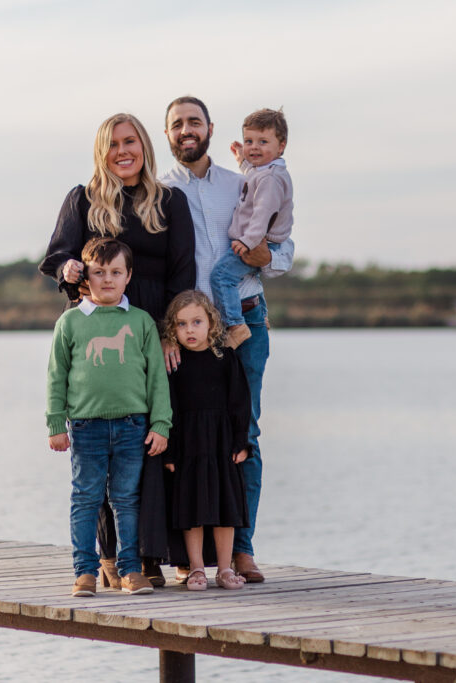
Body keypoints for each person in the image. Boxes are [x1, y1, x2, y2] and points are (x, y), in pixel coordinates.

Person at [40, 112, 195, 590]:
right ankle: (108, 557)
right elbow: (56, 257)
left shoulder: (171, 200)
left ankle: (148, 557)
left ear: (144, 146)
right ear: (102, 152)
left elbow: (183, 270)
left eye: (130, 142)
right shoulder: (83, 198)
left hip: (155, 329)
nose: (123, 151)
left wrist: (170, 332)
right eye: (113, 144)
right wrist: (69, 269)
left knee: (150, 441)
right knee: (102, 442)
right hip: (99, 323)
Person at [161, 96, 295, 583]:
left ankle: (241, 550)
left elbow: (285, 251)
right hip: (185, 336)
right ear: (168, 133)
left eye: (194, 121)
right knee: (184, 440)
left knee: (245, 436)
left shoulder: (246, 181)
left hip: (244, 322)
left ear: (211, 129)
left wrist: (264, 258)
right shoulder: (159, 192)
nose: (186, 130)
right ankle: (185, 558)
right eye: (177, 124)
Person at [45, 237, 171, 597]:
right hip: (86, 427)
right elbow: (56, 375)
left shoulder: (142, 322)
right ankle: (85, 571)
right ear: (86, 277)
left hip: (133, 425)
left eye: (116, 272)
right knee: (85, 497)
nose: (108, 279)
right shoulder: (70, 323)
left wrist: (161, 423)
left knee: (127, 499)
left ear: (128, 276)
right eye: (99, 272)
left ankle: (131, 570)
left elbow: (156, 379)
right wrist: (56, 423)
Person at [161, 290, 250, 591]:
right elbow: (168, 406)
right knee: (192, 507)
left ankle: (225, 569)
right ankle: (196, 568)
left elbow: (240, 402)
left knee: (225, 507)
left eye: (196, 322)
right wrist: (170, 450)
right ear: (172, 330)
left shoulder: (226, 358)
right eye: (181, 324)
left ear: (211, 324)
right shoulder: (174, 363)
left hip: (222, 442)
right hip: (188, 444)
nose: (189, 330)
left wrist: (241, 442)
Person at [211, 108, 294, 349]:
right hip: (261, 240)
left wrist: (247, 241)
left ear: (281, 146)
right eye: (249, 141)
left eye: (263, 142)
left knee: (221, 276)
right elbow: (253, 176)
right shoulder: (265, 172)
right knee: (241, 276)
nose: (254, 147)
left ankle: (236, 326)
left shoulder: (270, 179)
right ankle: (258, 315)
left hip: (259, 241)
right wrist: (243, 161)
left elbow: (262, 215)